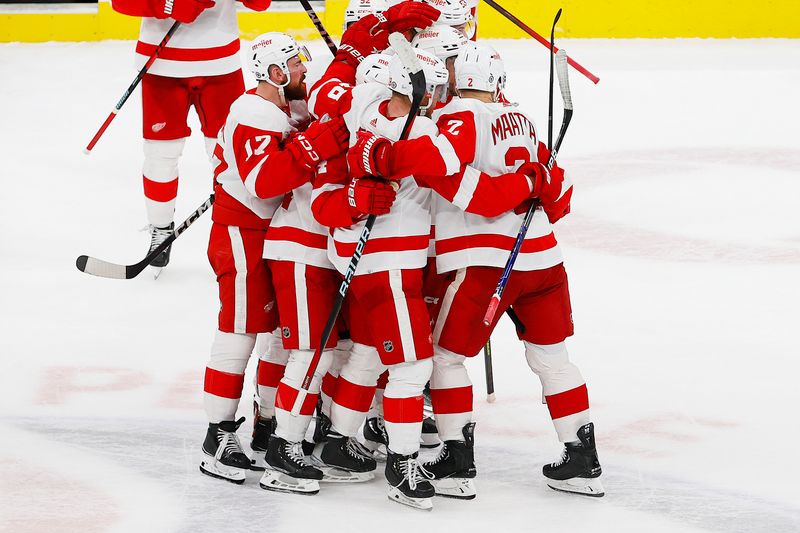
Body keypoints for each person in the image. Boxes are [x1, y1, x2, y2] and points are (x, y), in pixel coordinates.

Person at [347, 41, 603, 498]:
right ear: (497, 81)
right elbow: (559, 199)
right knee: (552, 359)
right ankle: (581, 454)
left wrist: (378, 157)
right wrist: (531, 181)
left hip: (485, 264)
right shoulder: (523, 119)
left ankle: (456, 458)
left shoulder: (455, 118)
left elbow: (473, 195)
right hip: (544, 262)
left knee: (445, 358)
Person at [198, 32, 349, 488]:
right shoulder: (253, 112)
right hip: (241, 233)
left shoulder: (283, 109)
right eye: (298, 65)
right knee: (240, 332)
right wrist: (314, 144)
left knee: (282, 337)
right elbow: (265, 182)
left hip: (270, 235)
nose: (306, 71)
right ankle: (218, 434)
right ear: (276, 74)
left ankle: (268, 424)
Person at [110, 0, 271, 270]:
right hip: (161, 66)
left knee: (229, 157)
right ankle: (161, 229)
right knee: (161, 154)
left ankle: (235, 232)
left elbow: (260, 3)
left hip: (221, 65)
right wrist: (167, 5)